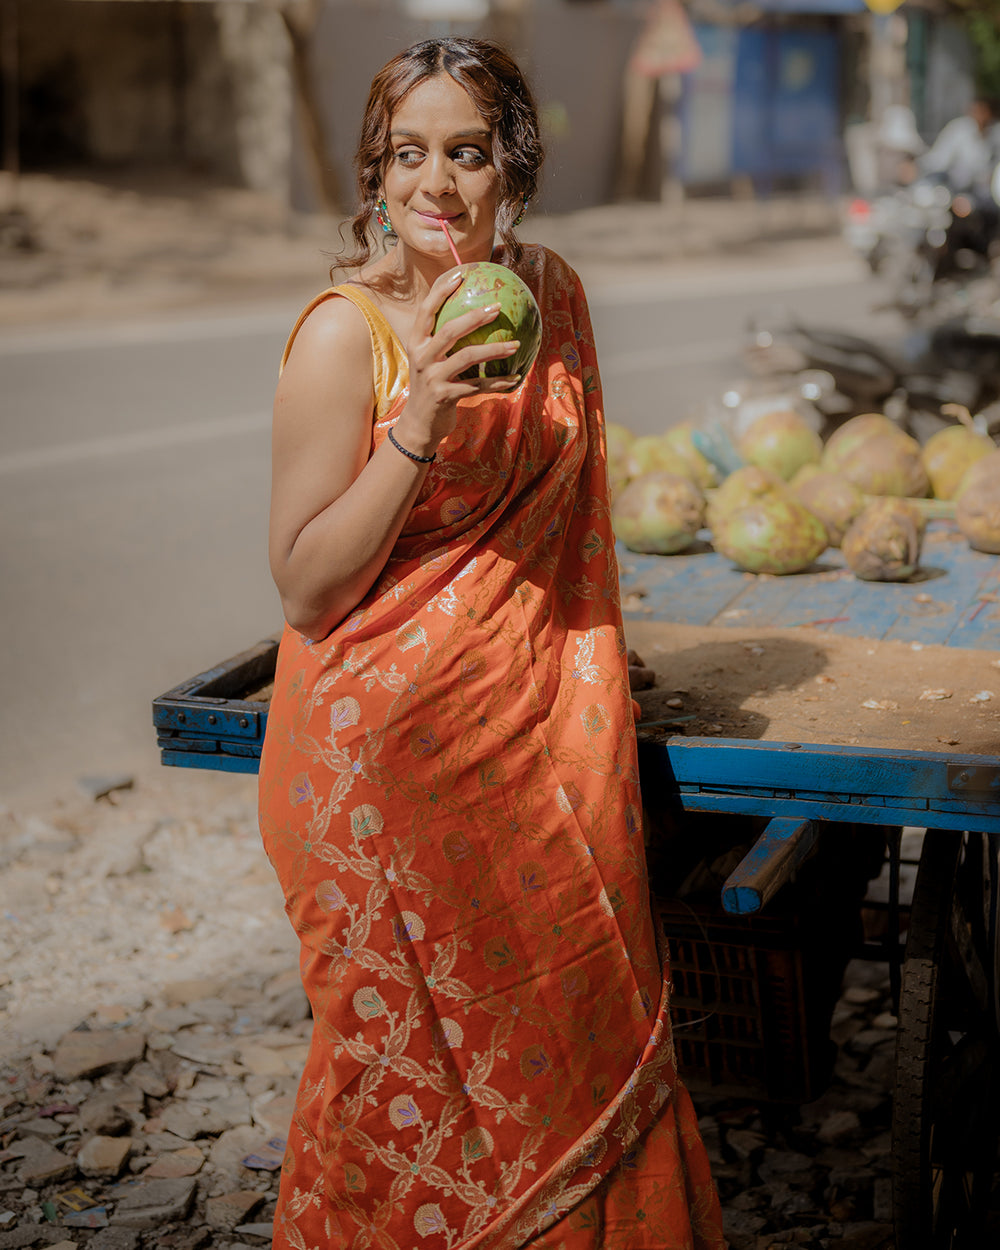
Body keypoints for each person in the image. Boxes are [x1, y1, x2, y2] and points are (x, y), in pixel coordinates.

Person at [257, 36, 724, 1249]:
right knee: (404, 1079)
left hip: (540, 745)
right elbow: (307, 585)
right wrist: (417, 415)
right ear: (374, 176)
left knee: (566, 1036)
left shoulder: (549, 296)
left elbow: (574, 526)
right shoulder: (343, 336)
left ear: (507, 169)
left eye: (466, 153)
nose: (435, 185)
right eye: (406, 154)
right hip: (385, 776)